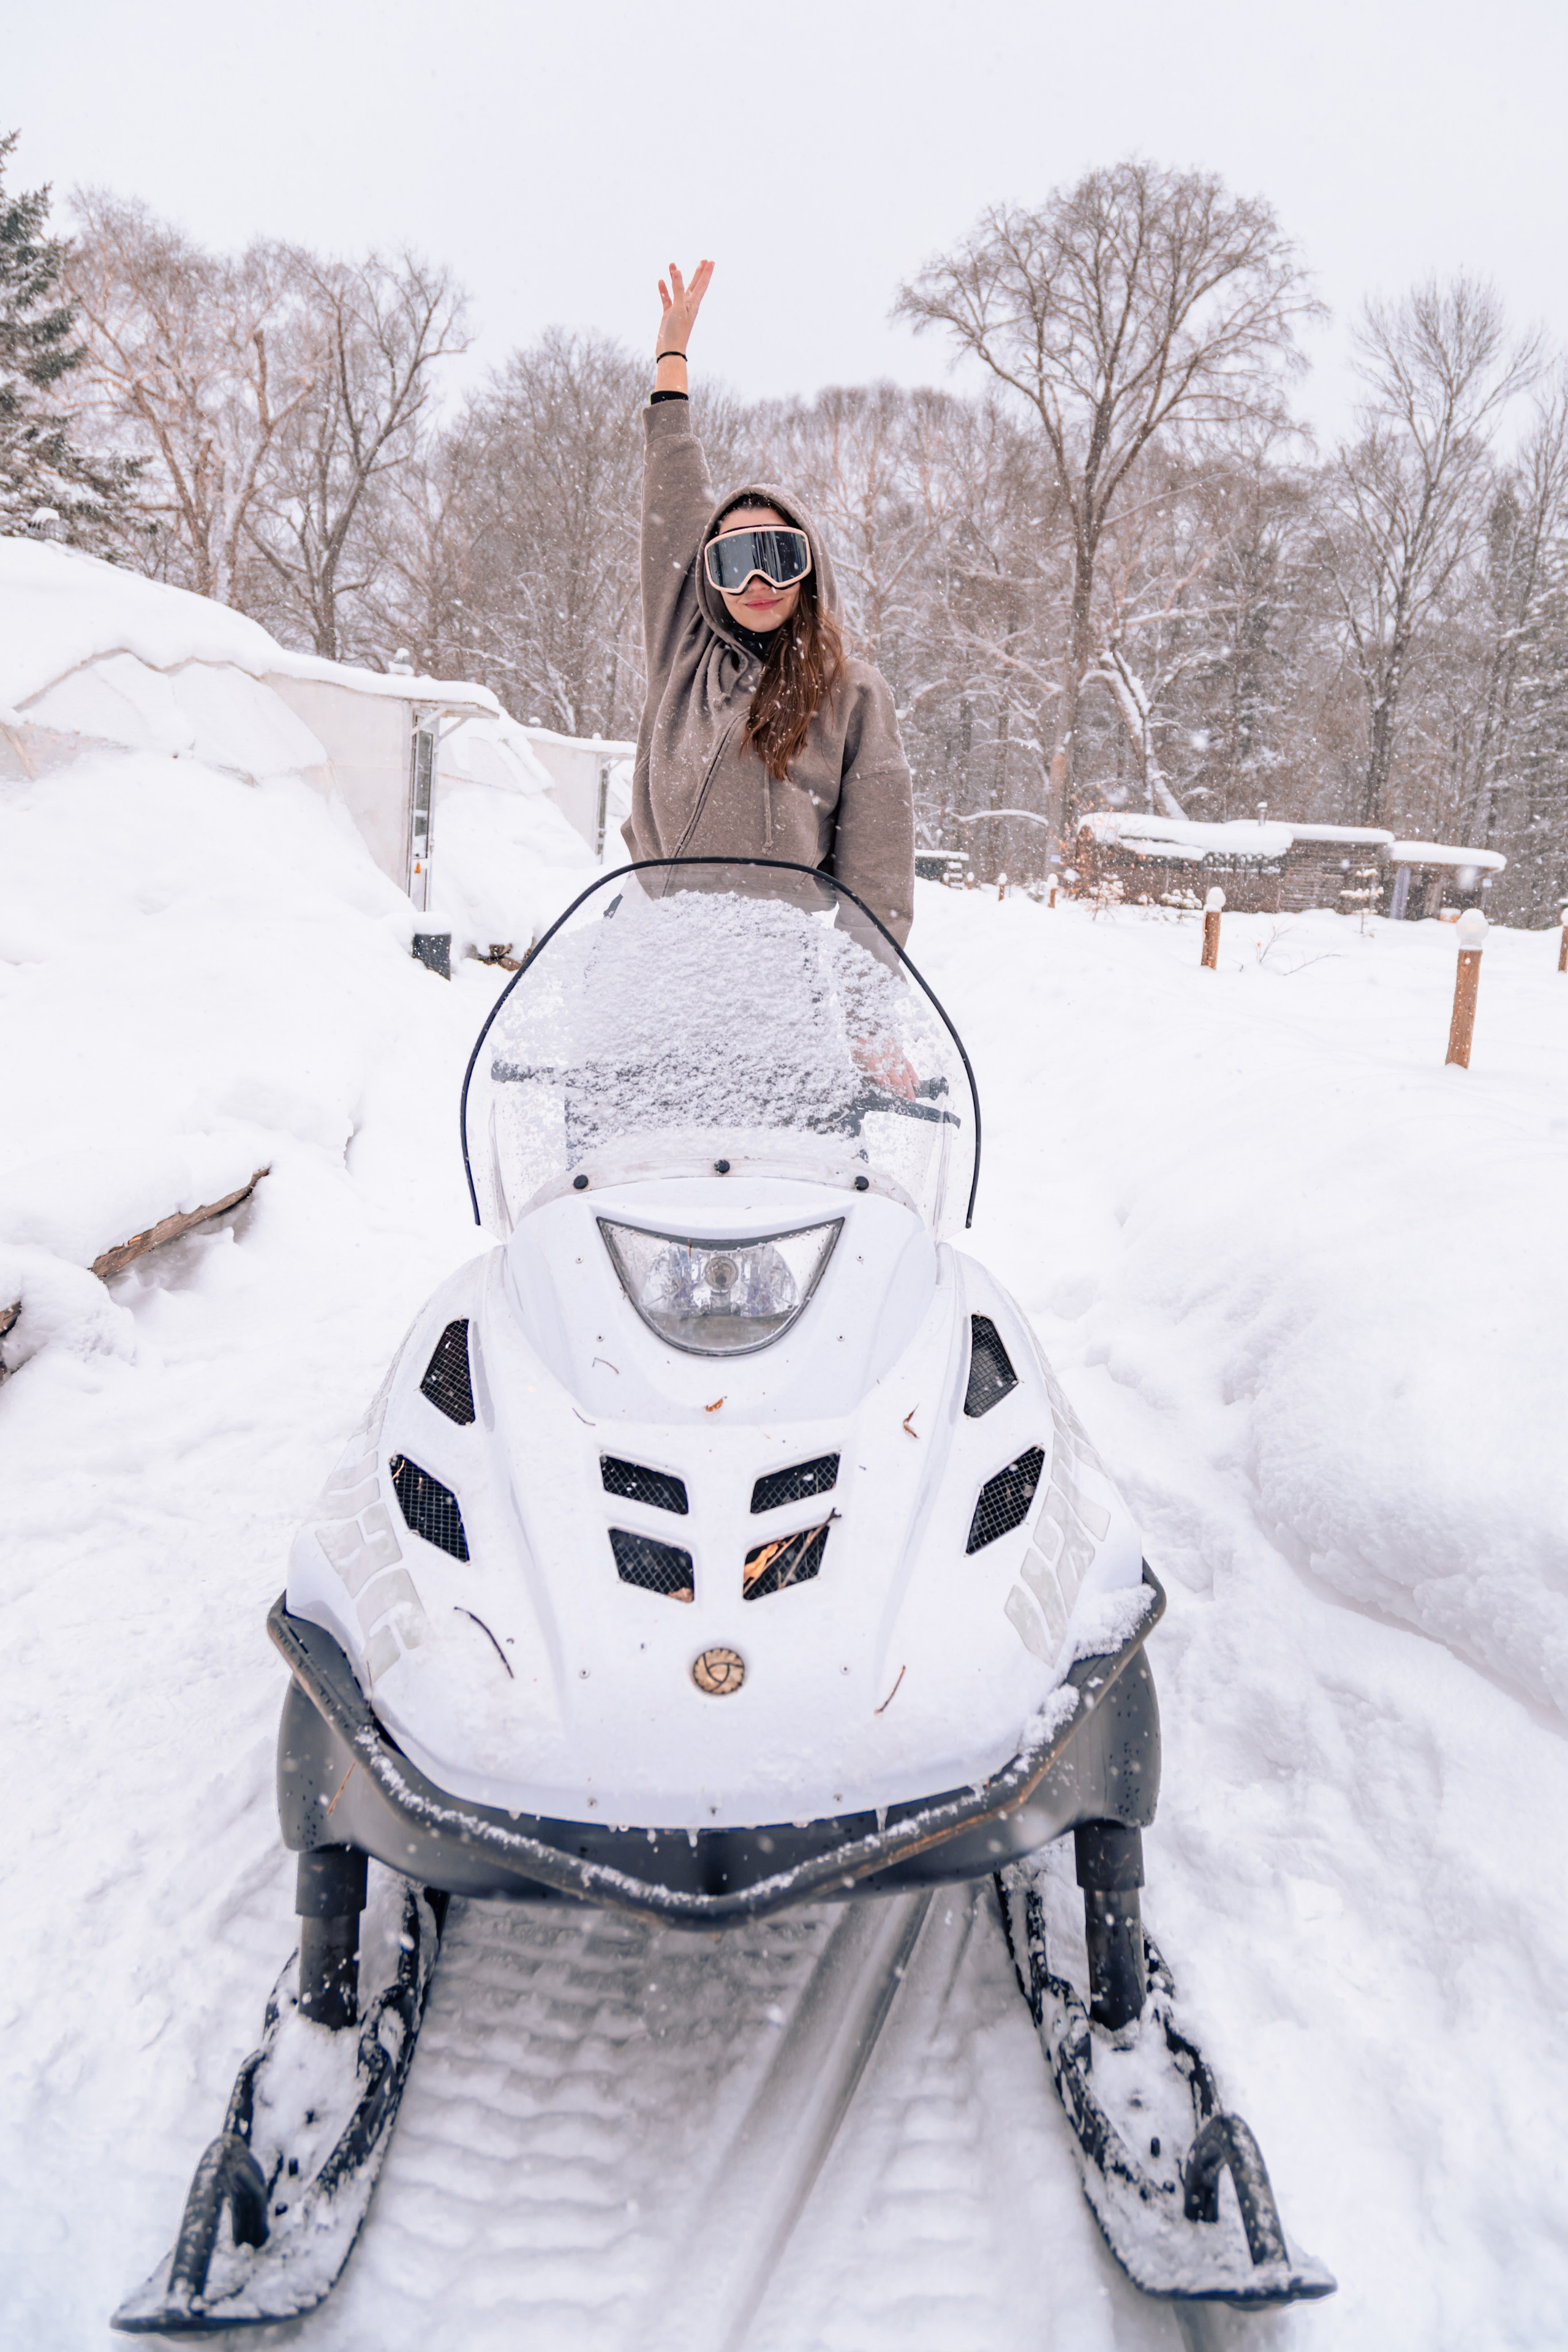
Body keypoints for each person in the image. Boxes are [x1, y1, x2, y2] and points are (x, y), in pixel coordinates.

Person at [622, 260, 916, 946]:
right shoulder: (683, 659)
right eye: (732, 561)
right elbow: (672, 498)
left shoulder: (853, 696)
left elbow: (878, 879)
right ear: (707, 578)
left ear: (808, 569)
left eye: (778, 558)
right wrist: (671, 360)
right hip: (654, 947)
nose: (756, 582)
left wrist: (871, 1019)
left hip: (778, 962)